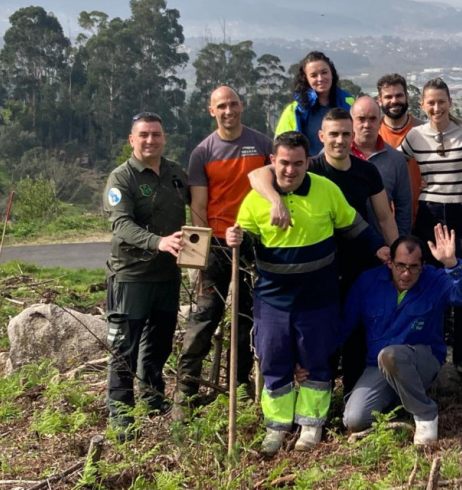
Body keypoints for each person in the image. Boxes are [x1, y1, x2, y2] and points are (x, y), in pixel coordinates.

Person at [228, 131, 388, 455]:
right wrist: (237, 240)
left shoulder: (326, 190)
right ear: (273, 161)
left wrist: (380, 249)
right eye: (284, 163)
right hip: (273, 299)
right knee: (274, 359)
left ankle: (311, 424)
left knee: (317, 361)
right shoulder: (256, 199)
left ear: (307, 162)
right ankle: (277, 425)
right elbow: (246, 248)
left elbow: (354, 225)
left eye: (298, 164)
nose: (290, 170)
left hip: (319, 297)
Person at [249, 108, 399, 393]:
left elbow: (384, 217)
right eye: (333, 134)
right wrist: (275, 201)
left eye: (345, 134)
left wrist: (393, 253)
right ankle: (320, 398)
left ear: (353, 136)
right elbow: (257, 175)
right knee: (322, 336)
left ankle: (354, 396)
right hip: (319, 268)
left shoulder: (366, 171)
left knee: (356, 333)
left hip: (362, 264)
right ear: (321, 136)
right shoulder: (308, 166)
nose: (339, 140)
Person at [174, 87, 272, 418]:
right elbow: (198, 207)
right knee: (204, 317)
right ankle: (185, 391)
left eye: (233, 104)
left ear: (242, 106)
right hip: (216, 246)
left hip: (252, 244)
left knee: (245, 320)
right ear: (210, 111)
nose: (228, 110)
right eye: (221, 106)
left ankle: (240, 387)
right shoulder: (202, 153)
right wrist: (194, 258)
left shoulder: (261, 144)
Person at [341, 227, 462, 445]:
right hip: (377, 366)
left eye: (413, 267)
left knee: (391, 355)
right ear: (390, 262)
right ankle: (402, 397)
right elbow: (344, 324)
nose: (406, 274)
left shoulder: (434, 280)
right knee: (355, 419)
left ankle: (426, 414)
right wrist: (310, 362)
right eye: (400, 266)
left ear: (422, 266)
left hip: (421, 360)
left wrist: (452, 264)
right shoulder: (368, 282)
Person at [103, 112, 189, 435]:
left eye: (156, 134)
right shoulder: (121, 178)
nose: (150, 140)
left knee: (159, 344)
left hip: (167, 276)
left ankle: (152, 399)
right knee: (124, 347)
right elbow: (120, 224)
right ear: (132, 139)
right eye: (144, 135)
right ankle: (121, 416)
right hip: (131, 276)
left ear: (164, 137)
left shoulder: (175, 174)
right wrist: (158, 242)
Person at [399, 77, 462, 368]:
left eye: (441, 101)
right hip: (431, 213)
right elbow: (394, 166)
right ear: (422, 105)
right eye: (430, 102)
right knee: (430, 283)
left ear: (450, 102)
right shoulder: (414, 137)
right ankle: (432, 352)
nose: (436, 107)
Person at [351, 96, 413, 237]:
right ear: (351, 122)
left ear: (380, 122)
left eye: (372, 119)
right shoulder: (335, 156)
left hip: (383, 247)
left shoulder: (396, 159)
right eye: (361, 119)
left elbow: (404, 207)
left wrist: (398, 246)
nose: (367, 125)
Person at [274, 50, 355, 155]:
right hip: (308, 170)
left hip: (345, 168)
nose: (320, 78)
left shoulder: (350, 103)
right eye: (314, 75)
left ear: (332, 73)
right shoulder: (293, 111)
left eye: (324, 72)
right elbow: (280, 148)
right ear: (306, 79)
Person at [376, 73, 425, 226]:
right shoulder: (373, 133)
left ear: (407, 97)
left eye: (399, 95)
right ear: (380, 100)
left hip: (423, 217)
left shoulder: (423, 130)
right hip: (384, 220)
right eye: (388, 97)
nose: (394, 101)